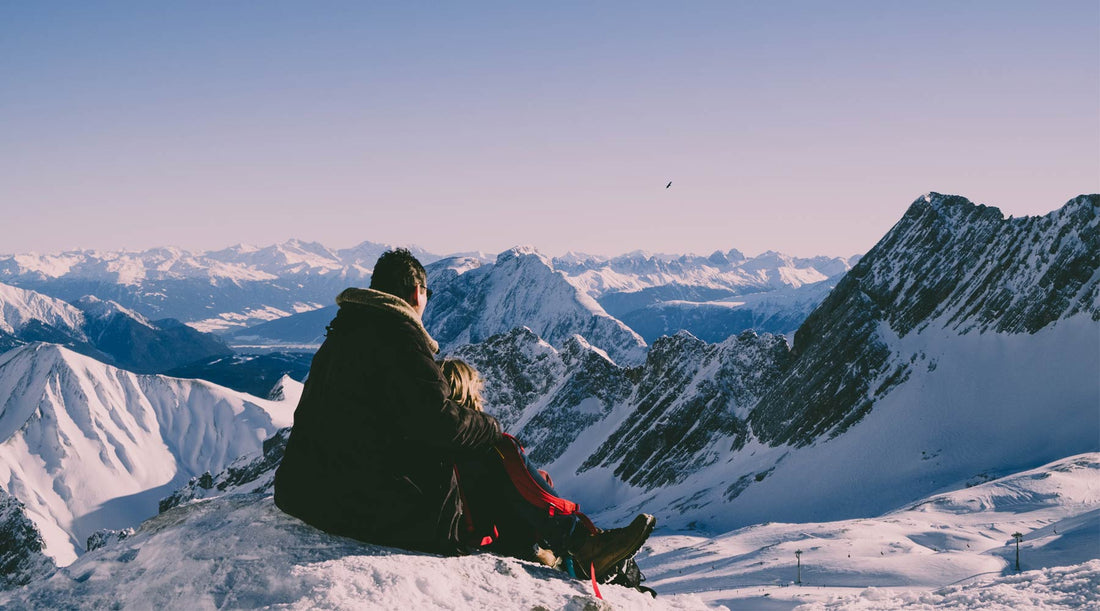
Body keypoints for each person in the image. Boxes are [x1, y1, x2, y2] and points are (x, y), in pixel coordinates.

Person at [274, 248, 653, 582]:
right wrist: (489, 427)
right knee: (497, 451)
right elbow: (439, 423)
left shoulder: (343, 335)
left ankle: (566, 542)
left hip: (309, 493)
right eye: (427, 294)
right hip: (363, 504)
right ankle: (579, 543)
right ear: (415, 293)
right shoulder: (398, 335)